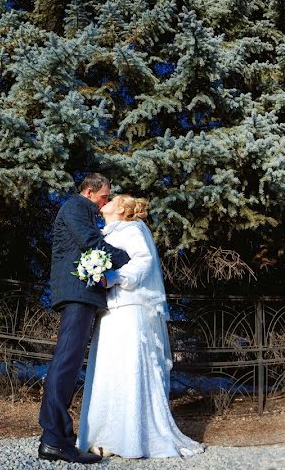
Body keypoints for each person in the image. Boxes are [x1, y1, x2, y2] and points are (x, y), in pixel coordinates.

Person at [77, 194, 204, 459]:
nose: (107, 201)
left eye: (113, 199)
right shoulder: (107, 232)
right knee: (108, 369)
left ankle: (131, 438)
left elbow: (144, 261)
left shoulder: (132, 229)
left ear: (122, 209)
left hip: (129, 307)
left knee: (126, 367)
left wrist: (114, 277)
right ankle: (102, 434)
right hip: (111, 309)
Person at [38, 173, 130, 464]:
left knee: (69, 362)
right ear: (90, 192)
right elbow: (91, 242)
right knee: (66, 362)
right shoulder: (77, 207)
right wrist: (128, 257)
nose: (106, 201)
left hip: (81, 294)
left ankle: (59, 438)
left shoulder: (85, 210)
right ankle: (53, 439)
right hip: (76, 292)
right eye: (105, 195)